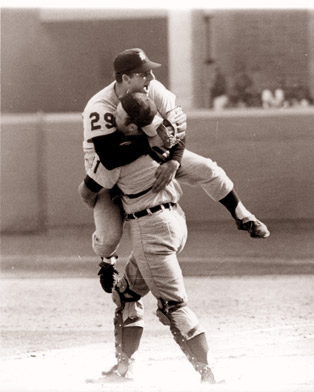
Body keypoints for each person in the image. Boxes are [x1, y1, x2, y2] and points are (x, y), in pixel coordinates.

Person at [80, 47, 270, 271]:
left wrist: (174, 161)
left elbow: (177, 128)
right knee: (108, 238)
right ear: (125, 78)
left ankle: (242, 215)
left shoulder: (153, 88)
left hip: (151, 151)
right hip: (108, 165)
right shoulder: (100, 106)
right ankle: (107, 260)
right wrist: (151, 143)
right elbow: (110, 157)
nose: (150, 77)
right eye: (143, 74)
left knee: (207, 169)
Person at [82, 91, 224, 384]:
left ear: (132, 125)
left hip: (151, 229)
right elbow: (177, 141)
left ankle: (210, 376)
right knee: (126, 293)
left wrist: (108, 203)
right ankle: (123, 368)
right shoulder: (161, 137)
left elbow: (87, 192)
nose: (113, 118)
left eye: (119, 116)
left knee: (174, 306)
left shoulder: (113, 154)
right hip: (175, 220)